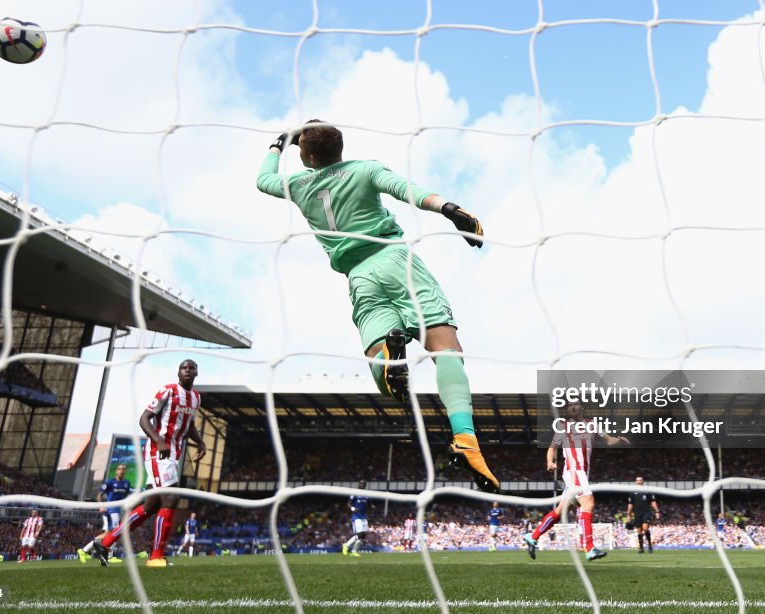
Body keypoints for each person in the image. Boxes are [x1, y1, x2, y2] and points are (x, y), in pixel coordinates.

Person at [256, 121, 499, 493]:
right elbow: (407, 191)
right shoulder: (364, 169)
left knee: (386, 373)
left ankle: (387, 354)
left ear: (306, 156)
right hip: (396, 260)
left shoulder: (297, 185)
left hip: (359, 275)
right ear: (341, 148)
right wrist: (451, 210)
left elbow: (263, 180)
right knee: (446, 350)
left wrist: (278, 145)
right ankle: (465, 438)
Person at [92, 359, 207, 568]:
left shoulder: (196, 398)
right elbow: (144, 418)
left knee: (151, 505)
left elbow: (188, 425)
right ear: (178, 372)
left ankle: (106, 543)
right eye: (184, 367)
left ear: (197, 373)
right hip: (158, 452)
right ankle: (156, 557)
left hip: (174, 454)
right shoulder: (168, 391)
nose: (188, 371)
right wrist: (158, 439)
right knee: (171, 498)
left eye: (192, 368)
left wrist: (200, 442)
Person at [523, 402, 628, 561]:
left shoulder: (592, 424)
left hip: (581, 473)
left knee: (559, 511)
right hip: (574, 471)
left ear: (582, 407)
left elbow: (608, 440)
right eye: (569, 405)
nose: (573, 407)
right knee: (588, 504)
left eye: (576, 404)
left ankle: (533, 536)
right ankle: (590, 548)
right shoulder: (562, 427)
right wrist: (549, 462)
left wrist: (619, 440)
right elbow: (552, 447)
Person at [78, 463, 132, 564]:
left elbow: (125, 497)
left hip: (118, 510)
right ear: (116, 471)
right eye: (119, 469)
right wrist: (101, 505)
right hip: (110, 510)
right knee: (115, 532)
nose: (121, 471)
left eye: (123, 469)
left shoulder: (126, 483)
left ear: (125, 471)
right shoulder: (110, 482)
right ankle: (109, 555)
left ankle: (85, 550)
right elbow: (99, 495)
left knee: (108, 533)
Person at [626, 476, 660, 553]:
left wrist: (657, 511)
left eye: (640, 480)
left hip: (646, 512)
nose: (639, 481)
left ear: (643, 481)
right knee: (639, 530)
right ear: (635, 482)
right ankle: (641, 548)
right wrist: (628, 514)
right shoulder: (632, 492)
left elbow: (653, 502)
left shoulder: (647, 491)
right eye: (637, 480)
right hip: (637, 513)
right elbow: (630, 504)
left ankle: (650, 545)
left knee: (645, 528)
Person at [342, 481, 369, 557]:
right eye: (360, 484)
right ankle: (347, 546)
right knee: (359, 534)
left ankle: (353, 550)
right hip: (356, 517)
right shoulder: (355, 493)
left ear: (365, 485)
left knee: (363, 535)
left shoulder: (367, 494)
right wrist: (353, 509)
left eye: (363, 484)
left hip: (364, 516)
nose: (362, 485)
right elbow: (348, 504)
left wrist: (371, 507)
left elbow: (368, 504)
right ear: (358, 485)